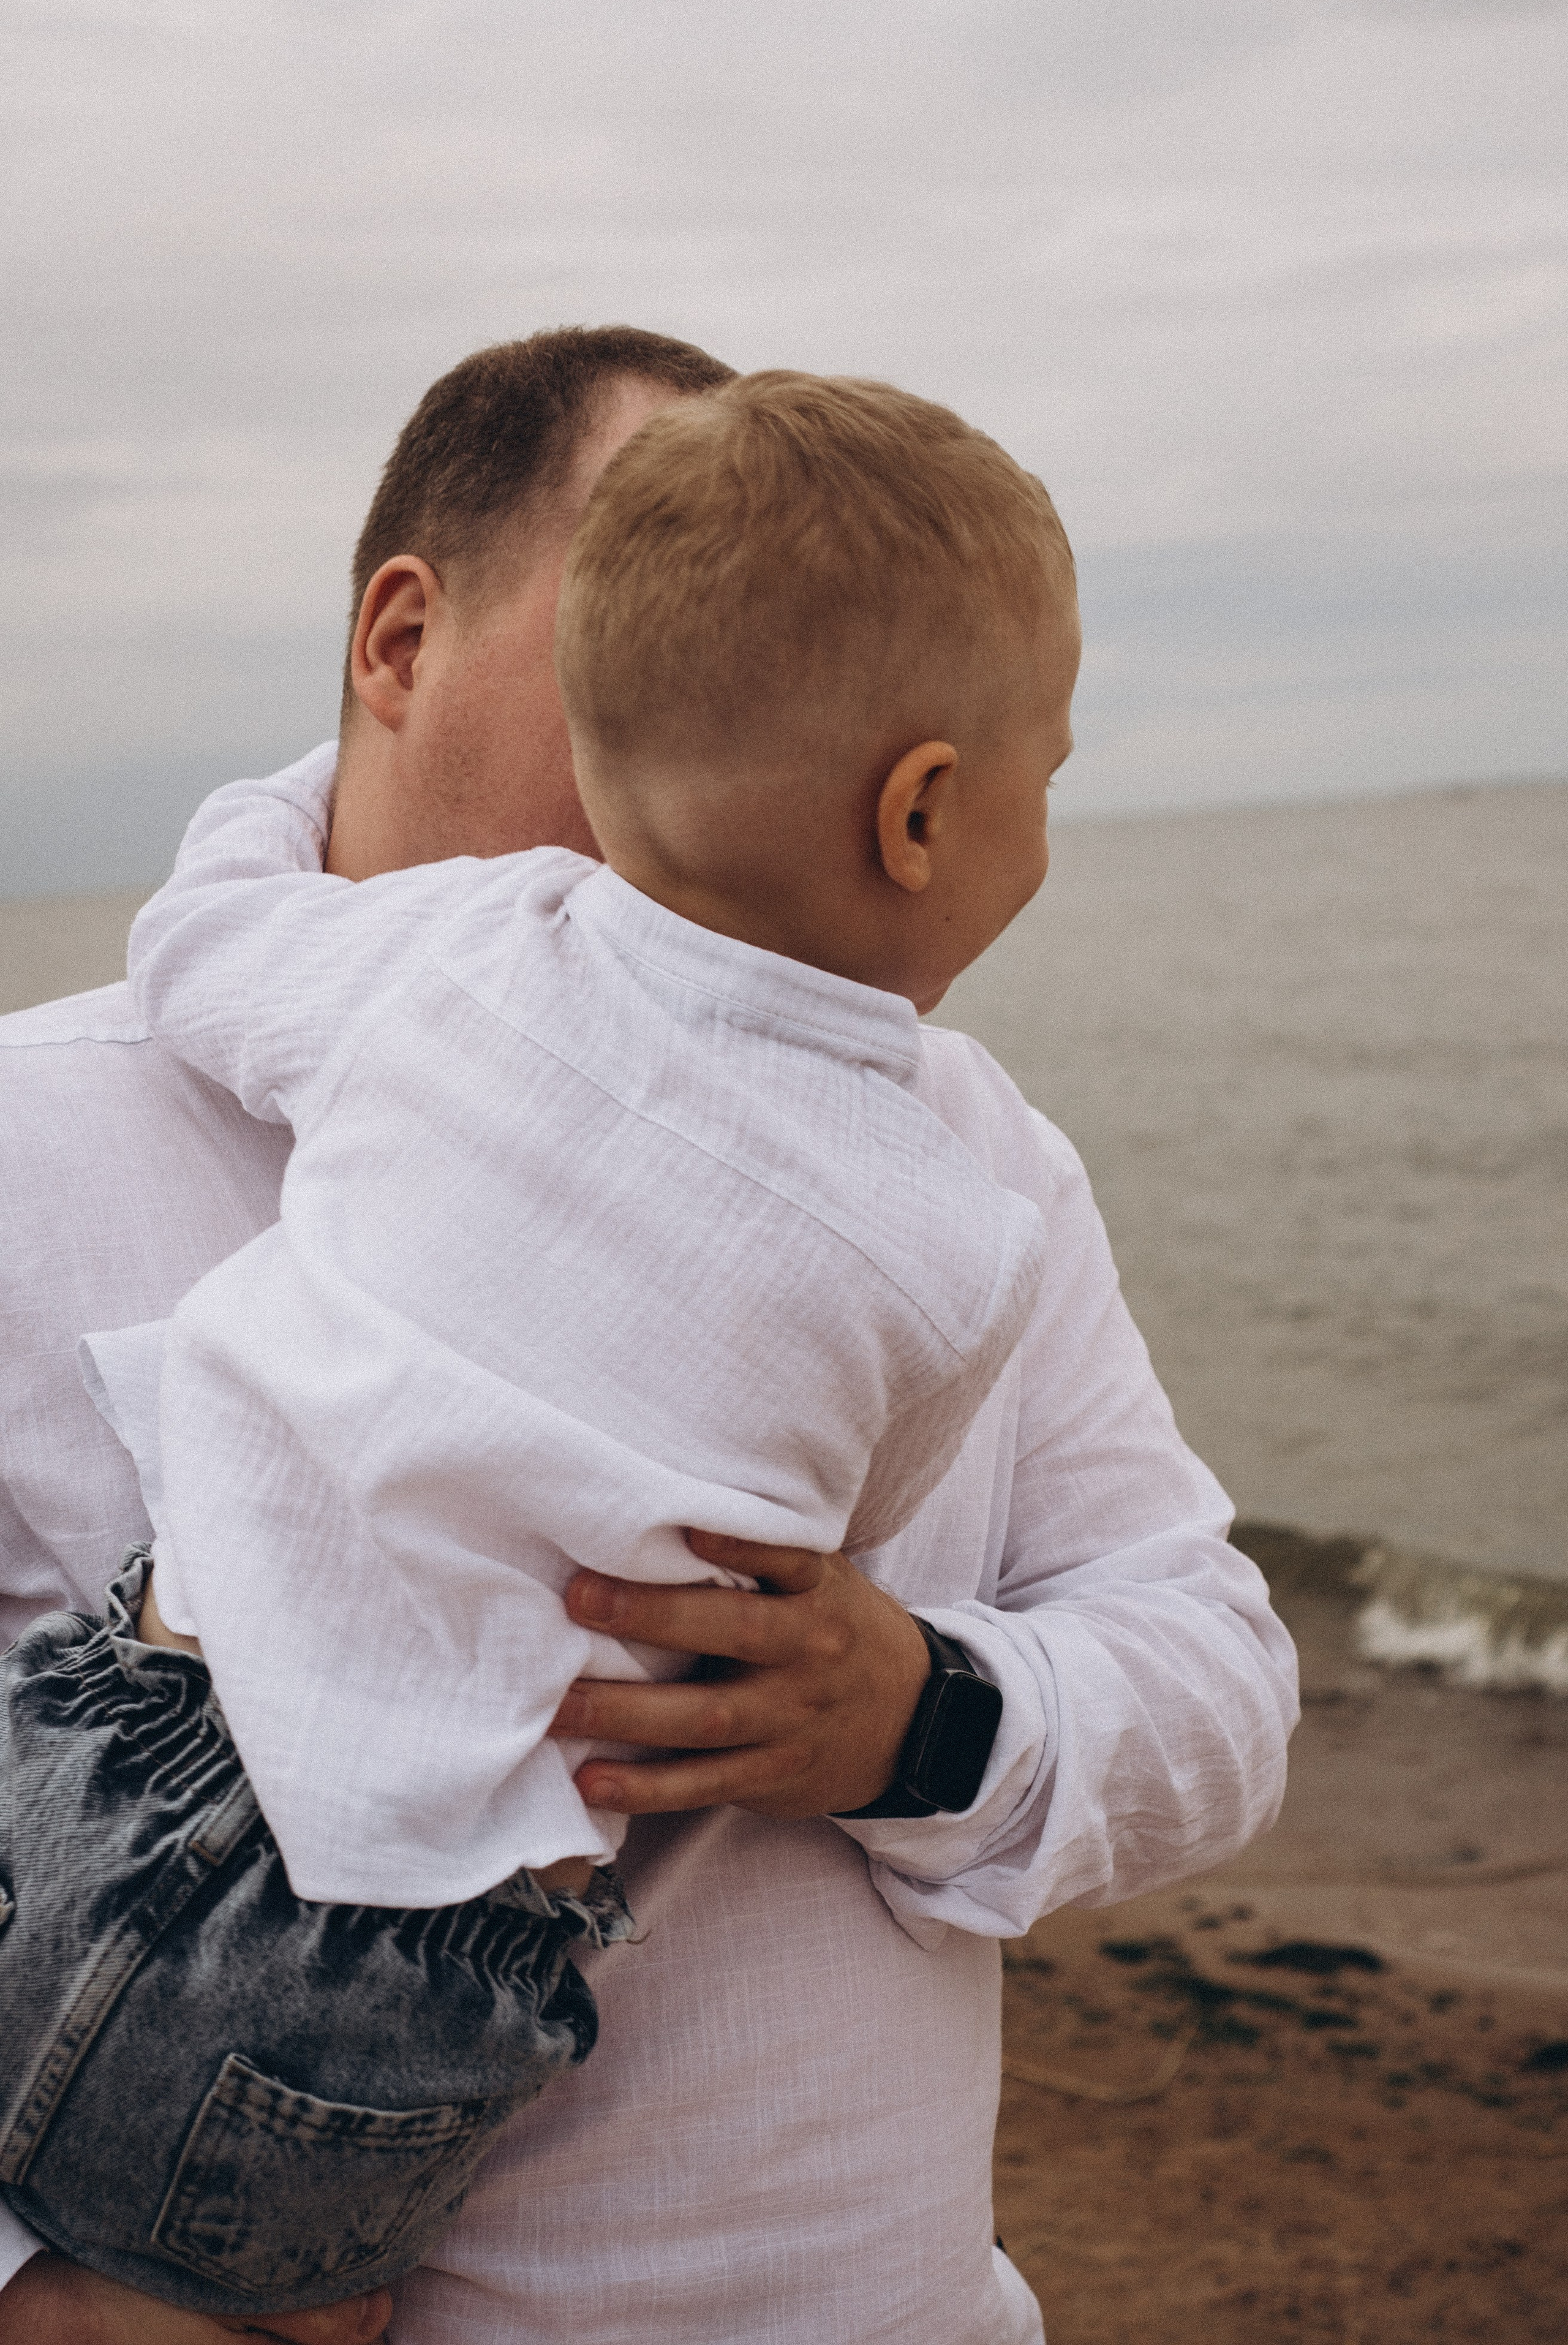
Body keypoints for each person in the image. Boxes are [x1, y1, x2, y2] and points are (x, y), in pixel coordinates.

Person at [0, 328, 1298, 2345]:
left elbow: (1214, 1674)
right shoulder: (35, 1139)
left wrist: (928, 1715)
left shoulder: (963, 1172)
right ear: (402, 641)